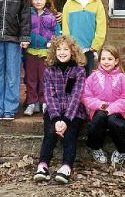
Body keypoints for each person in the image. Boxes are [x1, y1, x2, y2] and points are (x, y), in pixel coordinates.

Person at [33, 35, 87, 185]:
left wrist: (67, 120)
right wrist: (56, 119)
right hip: (54, 110)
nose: (62, 52)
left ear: (73, 51)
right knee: (50, 132)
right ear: (54, 51)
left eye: (66, 49)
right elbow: (49, 96)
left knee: (70, 133)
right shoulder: (49, 71)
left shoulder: (79, 71)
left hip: (74, 112)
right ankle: (42, 166)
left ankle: (66, 167)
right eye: (59, 49)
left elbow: (76, 96)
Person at [81, 45, 125, 167]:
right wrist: (99, 104)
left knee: (113, 120)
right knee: (99, 117)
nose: (106, 62)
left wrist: (112, 108)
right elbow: (85, 95)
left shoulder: (122, 78)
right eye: (103, 59)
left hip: (117, 112)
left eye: (110, 59)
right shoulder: (93, 77)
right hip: (98, 111)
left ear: (116, 61)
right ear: (99, 60)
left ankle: (124, 149)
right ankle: (95, 147)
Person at [24, 0, 61, 116]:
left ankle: (44, 101)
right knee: (31, 78)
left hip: (46, 53)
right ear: (31, 0)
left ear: (46, 0)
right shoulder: (27, 14)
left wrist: (53, 44)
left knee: (44, 78)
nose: (38, 1)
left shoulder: (51, 17)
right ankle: (32, 103)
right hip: (31, 52)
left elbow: (57, 33)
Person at [62, 0, 107, 76]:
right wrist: (69, 43)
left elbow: (101, 25)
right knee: (72, 76)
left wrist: (96, 45)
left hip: (89, 48)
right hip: (73, 47)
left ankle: (86, 94)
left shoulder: (96, 2)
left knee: (87, 76)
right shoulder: (69, 3)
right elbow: (65, 25)